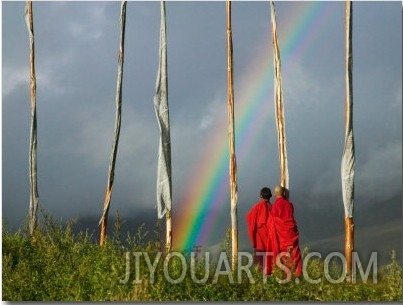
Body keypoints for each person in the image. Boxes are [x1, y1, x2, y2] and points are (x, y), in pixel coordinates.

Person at [267, 185, 302, 277]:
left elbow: (272, 225)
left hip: (281, 239)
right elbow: (290, 219)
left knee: (283, 258)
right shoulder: (289, 205)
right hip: (291, 236)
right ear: (283, 193)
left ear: (274, 194)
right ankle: (297, 278)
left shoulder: (274, 208)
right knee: (294, 256)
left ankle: (284, 278)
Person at [246, 187, 274, 274]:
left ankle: (260, 286)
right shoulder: (274, 209)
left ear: (260, 196)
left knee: (259, 269)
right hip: (271, 243)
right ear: (270, 196)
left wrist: (254, 242)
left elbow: (251, 226)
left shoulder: (256, 208)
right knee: (271, 268)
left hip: (259, 243)